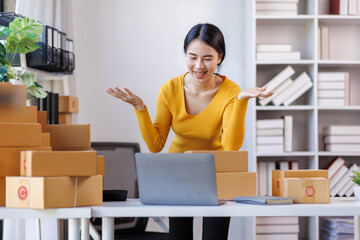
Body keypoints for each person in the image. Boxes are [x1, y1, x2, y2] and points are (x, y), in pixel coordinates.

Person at [106, 23, 273, 240]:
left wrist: (241, 100)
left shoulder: (231, 91)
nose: (199, 65)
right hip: (179, 175)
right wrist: (140, 108)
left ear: (219, 57)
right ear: (185, 55)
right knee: (179, 237)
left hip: (217, 177)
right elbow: (156, 146)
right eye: (192, 57)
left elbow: (231, 146)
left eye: (207, 58)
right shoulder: (170, 89)